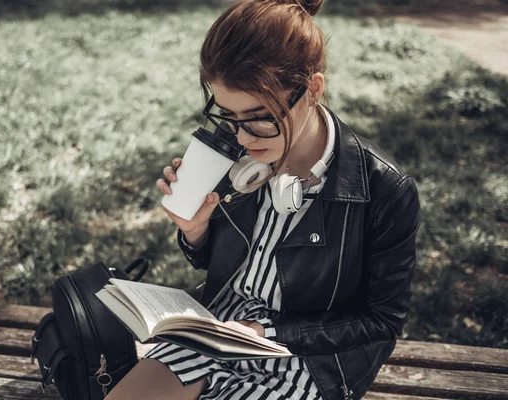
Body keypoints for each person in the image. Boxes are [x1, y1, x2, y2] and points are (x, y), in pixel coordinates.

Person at [104, 0, 421, 399]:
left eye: (260, 118)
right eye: (228, 116)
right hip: (217, 327)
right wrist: (195, 233)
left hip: (308, 357)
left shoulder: (382, 188)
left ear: (313, 90)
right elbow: (219, 261)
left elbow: (383, 320)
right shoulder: (235, 153)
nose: (242, 137)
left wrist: (266, 331)